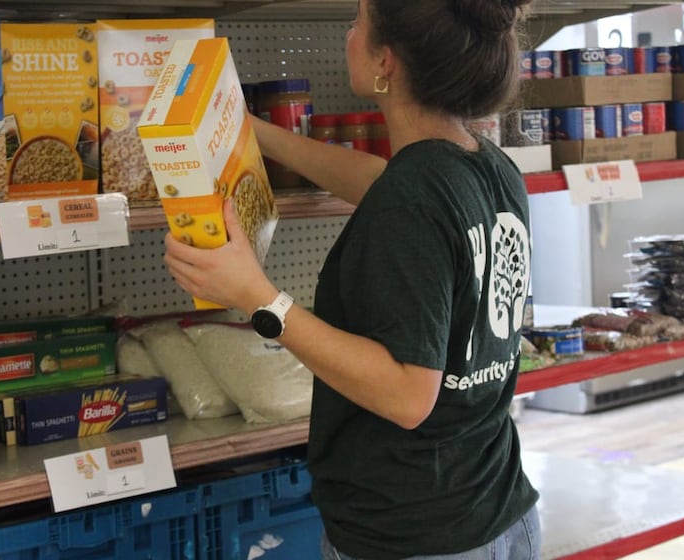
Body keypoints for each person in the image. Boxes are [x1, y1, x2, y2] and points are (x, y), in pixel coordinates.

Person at [163, 0, 541, 558]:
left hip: (413, 534)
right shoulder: (486, 166)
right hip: (495, 510)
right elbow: (381, 181)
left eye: (358, 23)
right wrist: (253, 132)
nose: (347, 35)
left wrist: (256, 297)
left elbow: (408, 395)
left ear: (385, 62)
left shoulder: (413, 198)